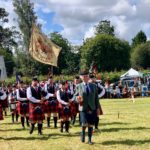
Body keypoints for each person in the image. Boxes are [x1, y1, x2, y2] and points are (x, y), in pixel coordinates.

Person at [75, 70, 100, 144]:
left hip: (92, 107)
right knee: (84, 124)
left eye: (86, 76)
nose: (85, 77)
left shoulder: (93, 86)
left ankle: (89, 139)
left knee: (91, 124)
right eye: (84, 76)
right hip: (83, 107)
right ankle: (82, 133)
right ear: (81, 77)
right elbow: (75, 96)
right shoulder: (78, 86)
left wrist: (97, 108)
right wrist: (77, 99)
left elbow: (96, 98)